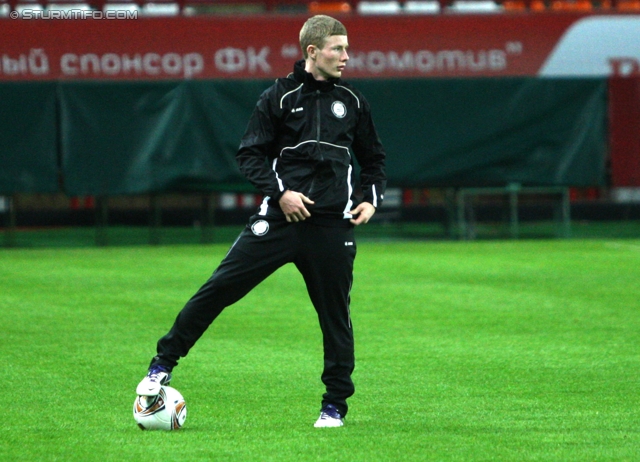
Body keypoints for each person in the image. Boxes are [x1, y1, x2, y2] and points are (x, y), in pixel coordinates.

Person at [136, 14, 387, 428]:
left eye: (346, 48)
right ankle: (161, 366)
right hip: (279, 221)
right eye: (337, 49)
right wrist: (281, 194)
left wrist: (370, 200)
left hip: (331, 227)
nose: (346, 56)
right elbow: (249, 154)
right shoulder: (278, 97)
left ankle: (334, 407)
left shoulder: (354, 101)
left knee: (336, 318)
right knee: (218, 289)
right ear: (312, 51)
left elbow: (374, 160)